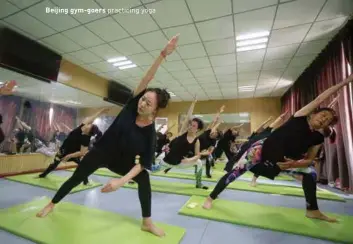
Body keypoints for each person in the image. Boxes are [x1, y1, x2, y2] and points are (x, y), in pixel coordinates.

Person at [36, 34, 179, 238]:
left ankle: (147, 222)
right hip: (101, 152)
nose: (142, 103)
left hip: (122, 162)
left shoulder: (150, 134)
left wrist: (120, 182)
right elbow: (146, 79)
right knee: (77, 178)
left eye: (148, 103)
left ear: (155, 111)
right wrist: (163, 55)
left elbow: (143, 164)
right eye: (143, 99)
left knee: (144, 178)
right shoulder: (131, 107)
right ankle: (52, 203)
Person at [203, 74, 353, 223]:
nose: (324, 119)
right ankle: (210, 197)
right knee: (234, 173)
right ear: (314, 113)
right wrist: (345, 82)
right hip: (261, 151)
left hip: (280, 162)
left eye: (327, 120)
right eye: (323, 115)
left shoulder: (318, 138)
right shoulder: (300, 117)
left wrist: (293, 164)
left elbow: (308, 160)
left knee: (311, 173)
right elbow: (320, 98)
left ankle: (312, 210)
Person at [152, 97, 208, 189]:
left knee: (198, 162)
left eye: (193, 126)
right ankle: (133, 177)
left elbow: (198, 155)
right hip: (167, 162)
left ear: (197, 129)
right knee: (151, 170)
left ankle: (198, 183)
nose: (190, 126)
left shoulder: (196, 140)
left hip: (180, 162)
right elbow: (188, 116)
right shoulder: (183, 132)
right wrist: (193, 103)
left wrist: (189, 160)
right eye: (190, 124)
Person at [38, 109, 105, 182]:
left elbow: (82, 152)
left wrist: (69, 156)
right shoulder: (81, 127)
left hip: (73, 153)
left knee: (81, 166)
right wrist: (100, 112)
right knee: (54, 163)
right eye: (89, 124)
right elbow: (91, 118)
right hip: (64, 149)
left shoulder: (86, 139)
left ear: (89, 132)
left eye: (89, 125)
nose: (88, 124)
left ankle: (85, 180)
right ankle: (44, 174)